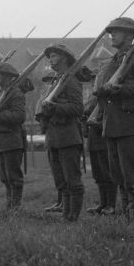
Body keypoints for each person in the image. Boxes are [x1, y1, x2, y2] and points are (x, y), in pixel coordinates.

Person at [94, 17, 134, 221]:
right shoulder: (114, 61)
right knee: (118, 176)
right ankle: (126, 218)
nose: (112, 35)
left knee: (132, 176)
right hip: (112, 124)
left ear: (131, 36)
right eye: (111, 31)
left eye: (117, 32)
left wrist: (121, 89)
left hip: (131, 124)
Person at [40, 44, 85, 222]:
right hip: (54, 136)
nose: (50, 59)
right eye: (49, 56)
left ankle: (73, 216)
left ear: (64, 58)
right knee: (61, 181)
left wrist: (55, 107)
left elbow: (77, 108)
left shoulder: (71, 81)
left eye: (54, 56)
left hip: (68, 136)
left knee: (72, 179)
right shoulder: (56, 81)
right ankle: (67, 216)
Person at [0, 62, 27, 210]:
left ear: (7, 76)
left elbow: (20, 116)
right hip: (2, 140)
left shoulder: (16, 94)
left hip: (12, 140)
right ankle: (10, 207)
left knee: (13, 176)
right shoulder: (1, 94)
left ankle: (15, 207)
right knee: (5, 177)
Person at [83, 68, 119, 216]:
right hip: (93, 139)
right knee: (98, 175)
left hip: (103, 138)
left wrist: (95, 124)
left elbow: (109, 119)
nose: (93, 82)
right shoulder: (91, 98)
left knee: (108, 173)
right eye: (92, 80)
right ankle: (103, 203)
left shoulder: (104, 98)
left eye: (95, 80)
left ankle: (111, 205)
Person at [36, 70, 63, 213]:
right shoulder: (45, 95)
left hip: (60, 134)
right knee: (57, 173)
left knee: (64, 173)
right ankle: (60, 201)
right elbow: (39, 112)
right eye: (45, 81)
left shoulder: (56, 93)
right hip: (50, 135)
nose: (47, 84)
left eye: (50, 81)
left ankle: (64, 203)